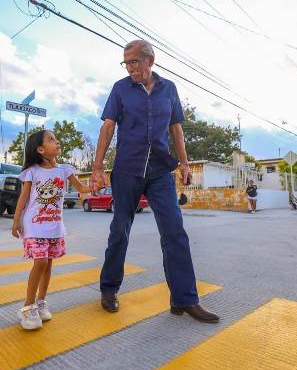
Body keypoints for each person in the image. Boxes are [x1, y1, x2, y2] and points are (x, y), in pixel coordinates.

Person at [91, 39, 219, 323]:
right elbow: (108, 127)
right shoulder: (120, 89)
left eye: (134, 62)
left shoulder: (168, 89)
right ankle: (109, 289)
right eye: (126, 63)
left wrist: (184, 163)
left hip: (160, 171)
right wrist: (97, 168)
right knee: (120, 231)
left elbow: (176, 128)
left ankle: (185, 300)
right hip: (127, 169)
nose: (129, 68)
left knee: (175, 232)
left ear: (150, 60)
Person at [12, 130, 90, 330]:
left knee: (48, 265)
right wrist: (16, 220)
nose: (57, 141)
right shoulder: (33, 171)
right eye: (51, 139)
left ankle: (41, 302)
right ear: (40, 149)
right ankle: (27, 307)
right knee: (40, 262)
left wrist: (97, 185)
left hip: (54, 227)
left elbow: (82, 188)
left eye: (55, 139)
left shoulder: (64, 170)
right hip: (34, 225)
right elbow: (23, 198)